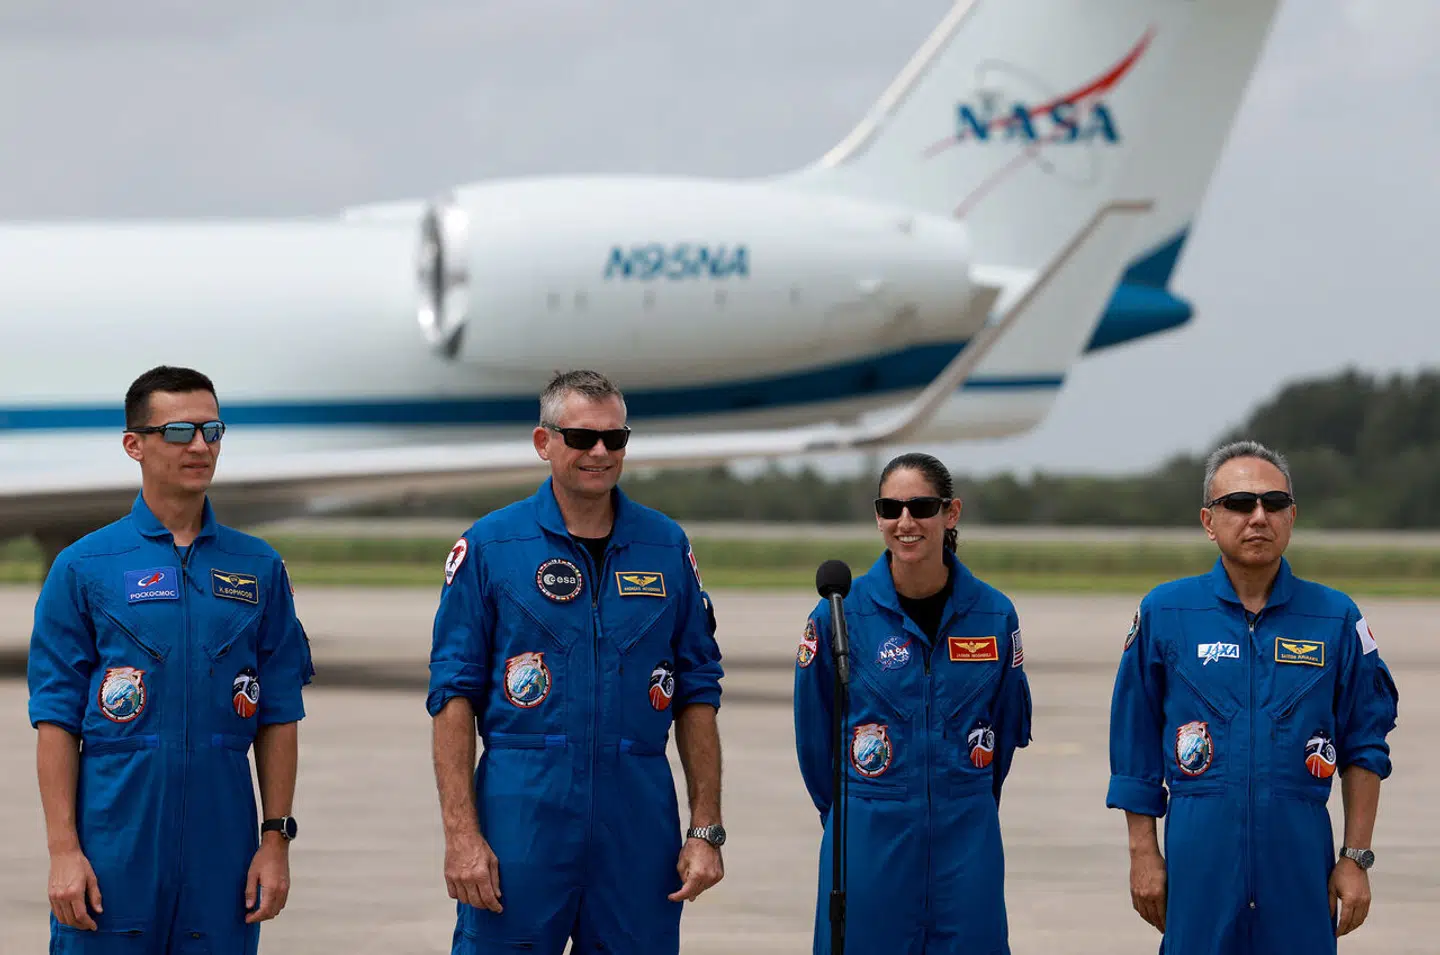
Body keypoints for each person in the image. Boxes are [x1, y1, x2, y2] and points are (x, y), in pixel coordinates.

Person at [427, 368, 726, 955]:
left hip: (637, 820)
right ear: (544, 442)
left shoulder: (666, 546)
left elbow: (697, 690)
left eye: (615, 438)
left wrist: (705, 829)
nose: (600, 452)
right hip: (522, 816)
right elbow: (452, 694)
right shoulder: (490, 547)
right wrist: (462, 835)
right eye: (582, 437)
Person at [27, 365, 315, 954]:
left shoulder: (258, 567)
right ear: (134, 445)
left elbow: (279, 711)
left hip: (223, 852)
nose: (200, 447)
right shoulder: (84, 566)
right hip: (114, 847)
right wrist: (64, 851)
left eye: (213, 431)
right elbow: (55, 719)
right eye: (179, 432)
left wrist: (275, 840)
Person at [1107, 440, 1400, 954]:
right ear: (1208, 520)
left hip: (1299, 861)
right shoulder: (1165, 613)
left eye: (1274, 503)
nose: (1258, 517)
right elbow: (1135, 743)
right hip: (1200, 861)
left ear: (1292, 517)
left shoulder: (1336, 618)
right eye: (1239, 504)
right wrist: (1142, 853)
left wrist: (1356, 857)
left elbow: (1365, 745)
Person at [793, 451, 1033, 955]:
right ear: (878, 516)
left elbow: (1004, 730)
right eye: (891, 508)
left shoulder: (995, 615)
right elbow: (814, 737)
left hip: (966, 836)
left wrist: (959, 795)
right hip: (868, 833)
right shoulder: (839, 614)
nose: (905, 522)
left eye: (921, 507)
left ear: (951, 513)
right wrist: (856, 809)